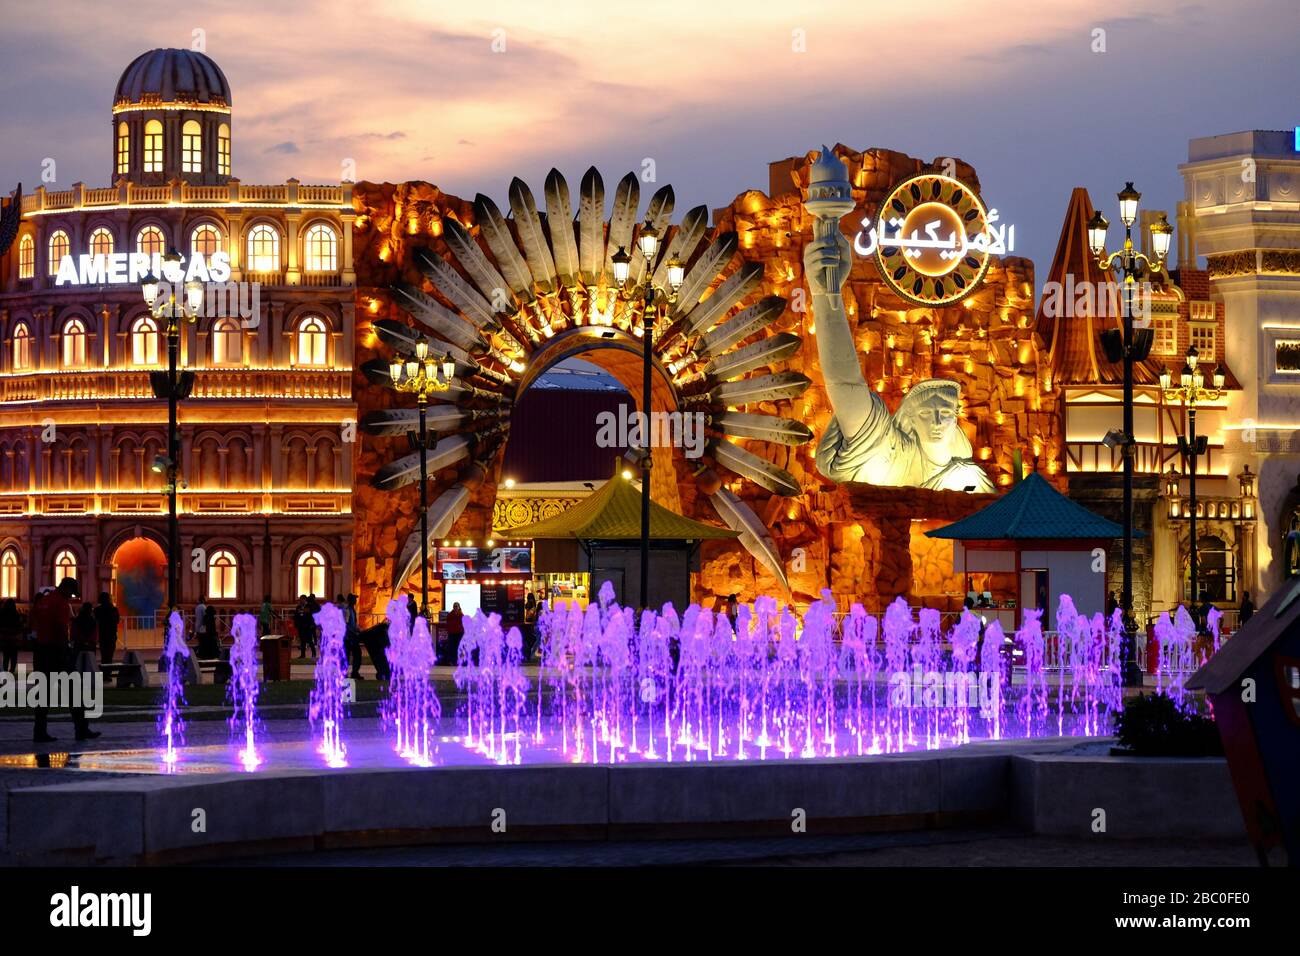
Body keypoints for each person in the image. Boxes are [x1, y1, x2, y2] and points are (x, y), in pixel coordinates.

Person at [31, 577, 96, 743]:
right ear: (66, 588)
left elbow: (35, 623)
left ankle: (39, 732)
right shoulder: (60, 603)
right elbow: (61, 628)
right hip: (56, 651)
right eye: (71, 593)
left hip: (41, 651)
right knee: (73, 689)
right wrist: (65, 652)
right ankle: (81, 729)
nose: (71, 597)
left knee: (43, 694)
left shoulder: (44, 600)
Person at [93, 592, 119, 665]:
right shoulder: (114, 609)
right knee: (110, 654)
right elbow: (117, 620)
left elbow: (95, 620)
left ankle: (104, 671)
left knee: (103, 654)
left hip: (102, 633)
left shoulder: (97, 610)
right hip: (112, 634)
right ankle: (108, 671)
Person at [0, 598, 20, 672]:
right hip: (13, 638)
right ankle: (11, 670)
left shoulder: (2, 613)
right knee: (13, 656)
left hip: (5, 638)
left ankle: (5, 670)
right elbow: (18, 626)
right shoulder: (16, 614)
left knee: (6, 656)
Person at [345, 593, 361, 679]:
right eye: (354, 599)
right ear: (350, 600)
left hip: (352, 636)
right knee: (349, 655)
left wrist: (358, 629)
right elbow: (346, 624)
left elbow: (353, 623)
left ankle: (354, 672)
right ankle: (348, 673)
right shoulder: (348, 610)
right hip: (348, 637)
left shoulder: (352, 610)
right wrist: (353, 631)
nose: (355, 600)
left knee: (357, 654)